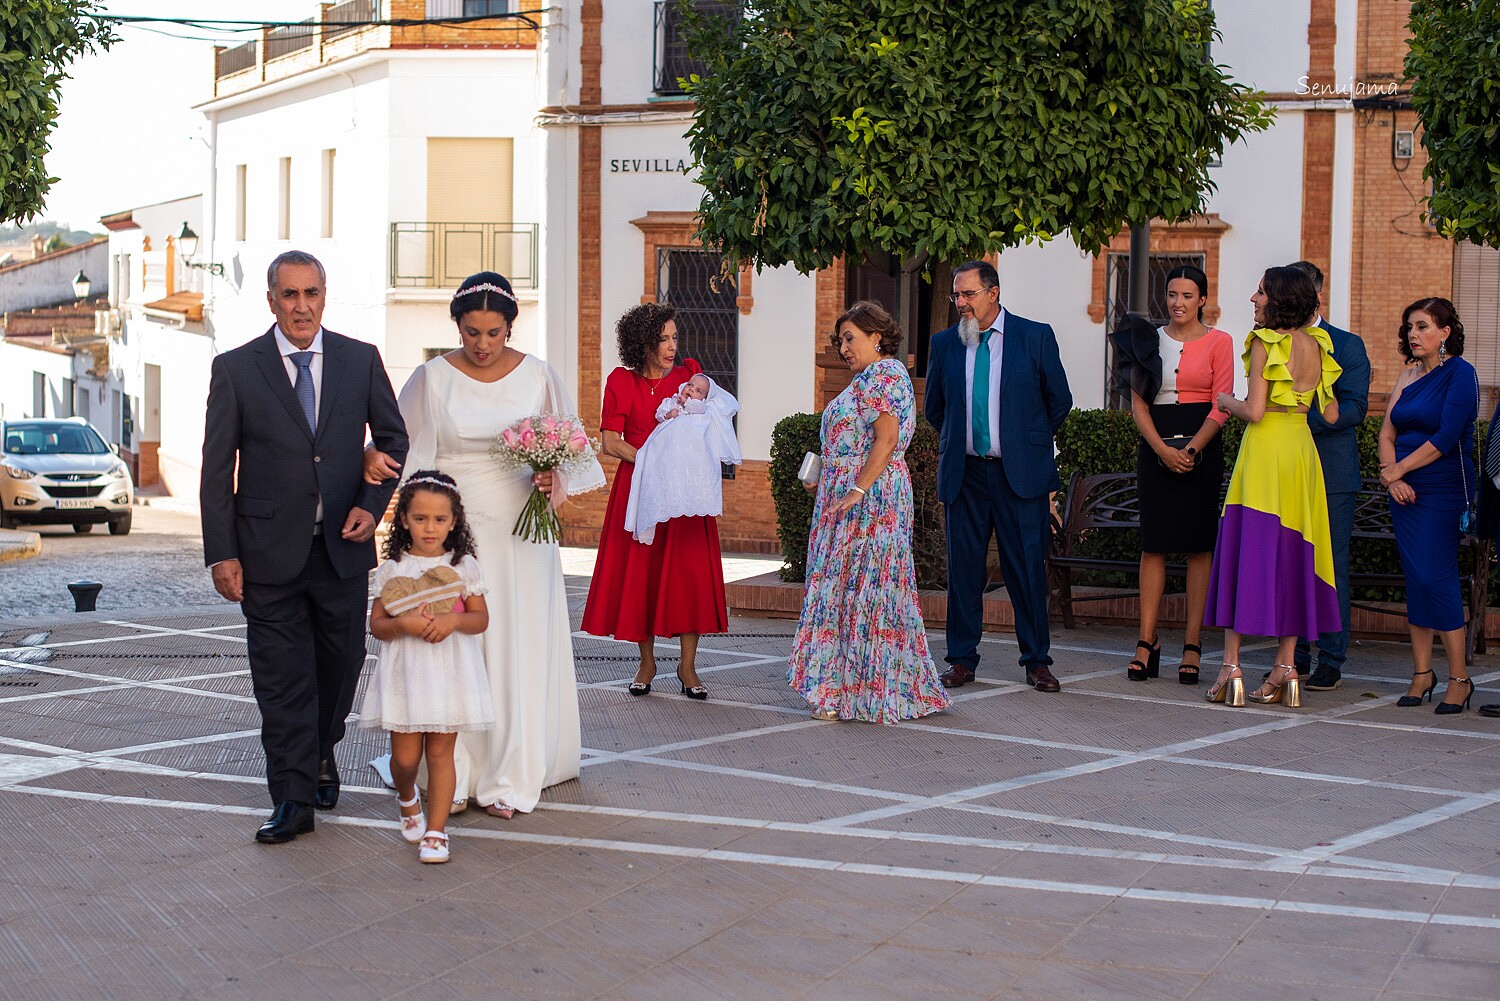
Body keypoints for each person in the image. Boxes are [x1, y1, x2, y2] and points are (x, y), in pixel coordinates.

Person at [364, 271, 606, 816]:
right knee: (452, 643)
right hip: (447, 532)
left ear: (510, 327)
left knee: (514, 639)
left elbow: (571, 454)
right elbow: (397, 446)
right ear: (457, 326)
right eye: (471, 332)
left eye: (493, 332)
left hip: (521, 529)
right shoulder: (432, 377)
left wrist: (551, 480)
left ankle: (509, 769)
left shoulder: (540, 375)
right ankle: (455, 769)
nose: (481, 344)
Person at [200, 250, 408, 844]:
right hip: (265, 552)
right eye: (289, 295)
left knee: (339, 669)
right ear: (271, 300)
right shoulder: (237, 369)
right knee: (281, 678)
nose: (301, 306)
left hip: (340, 551)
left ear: (324, 296)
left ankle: (322, 748)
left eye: (311, 293)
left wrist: (372, 509)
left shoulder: (359, 360)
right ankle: (292, 798)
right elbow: (218, 470)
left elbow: (392, 437)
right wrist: (222, 552)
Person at [788, 301, 952, 723]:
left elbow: (886, 439)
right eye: (839, 340)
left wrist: (858, 488)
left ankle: (868, 692)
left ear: (876, 337)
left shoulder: (884, 374)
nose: (843, 347)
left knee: (867, 593)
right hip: (847, 498)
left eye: (850, 338)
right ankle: (841, 691)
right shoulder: (862, 382)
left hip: (873, 502)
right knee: (845, 594)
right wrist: (822, 478)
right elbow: (852, 443)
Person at [923, 260, 1072, 692]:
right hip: (965, 473)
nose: (961, 304)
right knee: (964, 571)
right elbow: (936, 408)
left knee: (1026, 570)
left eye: (968, 294)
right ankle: (962, 661)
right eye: (956, 296)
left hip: (1020, 475)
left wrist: (1026, 442)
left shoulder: (1034, 336)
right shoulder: (946, 344)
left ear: (994, 293)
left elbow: (1058, 400)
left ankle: (1037, 662)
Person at [1203, 266, 1342, 708]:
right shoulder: (1318, 343)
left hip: (1265, 453)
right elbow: (1333, 413)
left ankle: (1232, 665)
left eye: (1260, 292)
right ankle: (1287, 666)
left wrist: (1225, 401)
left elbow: (1256, 411)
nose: (1253, 298)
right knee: (1295, 555)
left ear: (1278, 299)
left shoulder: (1264, 342)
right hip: (1301, 451)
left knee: (1246, 549)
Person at [581, 303, 729, 699]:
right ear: (641, 343)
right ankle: (646, 662)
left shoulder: (688, 377)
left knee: (688, 574)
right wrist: (652, 461)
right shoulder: (621, 381)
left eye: (674, 337)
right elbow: (611, 441)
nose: (671, 345)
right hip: (641, 487)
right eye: (662, 338)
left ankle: (688, 666)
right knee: (640, 574)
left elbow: (714, 419)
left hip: (684, 492)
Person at [1108, 266, 1234, 684]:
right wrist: (1163, 450)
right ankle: (1147, 640)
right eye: (1172, 294)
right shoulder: (1148, 339)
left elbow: (1222, 404)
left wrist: (1192, 449)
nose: (1178, 302)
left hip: (1203, 448)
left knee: (1199, 546)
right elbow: (1138, 403)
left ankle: (1193, 642)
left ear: (1202, 299)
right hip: (1156, 448)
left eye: (1187, 295)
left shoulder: (1221, 342)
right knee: (1154, 544)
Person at [364, 472, 492, 863]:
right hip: (406, 675)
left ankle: (436, 833)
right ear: (403, 519)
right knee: (405, 760)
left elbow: (480, 620)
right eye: (420, 518)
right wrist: (403, 624)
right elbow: (377, 626)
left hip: (449, 674)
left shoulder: (464, 565)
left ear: (454, 522)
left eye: (439, 519)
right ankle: (407, 797)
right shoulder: (393, 569)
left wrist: (453, 621)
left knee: (440, 755)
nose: (430, 527)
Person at [1379, 297, 1477, 715]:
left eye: (1422, 327)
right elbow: (1386, 431)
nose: (1413, 335)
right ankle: (1422, 674)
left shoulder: (1461, 374)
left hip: (1442, 489)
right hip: (1404, 491)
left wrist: (1397, 470)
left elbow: (1447, 436)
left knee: (1437, 576)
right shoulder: (1406, 376)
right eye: (1409, 328)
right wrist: (1393, 475)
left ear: (1444, 332)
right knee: (1415, 577)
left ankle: (1460, 678)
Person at [1288, 261, 1371, 692]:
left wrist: (1301, 417)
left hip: (1332, 472)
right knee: (1292, 562)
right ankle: (1294, 654)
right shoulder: (1274, 342)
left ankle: (1332, 657)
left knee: (1330, 566)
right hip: (1286, 469)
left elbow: (1356, 408)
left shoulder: (1347, 345)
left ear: (1316, 293)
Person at [625, 373, 742, 545]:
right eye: (690, 385)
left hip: (686, 452)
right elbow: (659, 414)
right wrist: (669, 413)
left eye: (698, 391)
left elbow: (698, 409)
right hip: (664, 445)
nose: (691, 390)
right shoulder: (671, 401)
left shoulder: (700, 407)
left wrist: (685, 403)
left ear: (705, 397)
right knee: (655, 463)